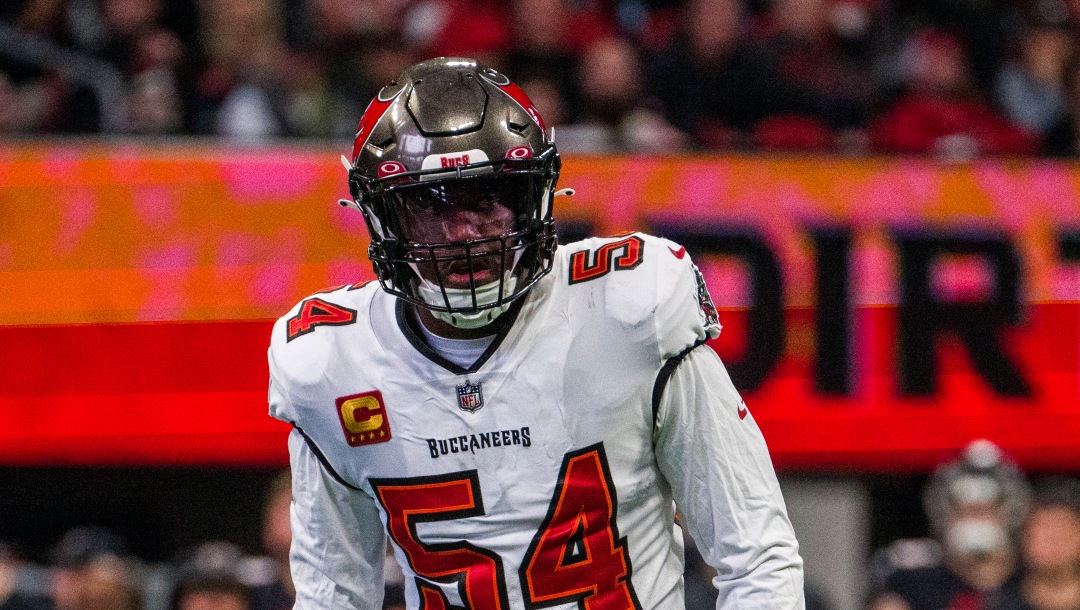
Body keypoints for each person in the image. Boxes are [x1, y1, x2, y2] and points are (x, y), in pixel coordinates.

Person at [267, 56, 804, 609]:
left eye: (487, 198)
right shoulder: (332, 362)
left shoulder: (627, 311)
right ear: (383, 218)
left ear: (533, 199)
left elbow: (756, 554)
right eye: (428, 205)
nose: (462, 232)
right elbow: (332, 596)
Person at [868, 439, 1031, 610]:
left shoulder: (1033, 577)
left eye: (986, 506)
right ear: (944, 509)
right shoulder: (910, 577)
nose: (975, 516)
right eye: (963, 506)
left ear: (1011, 509)